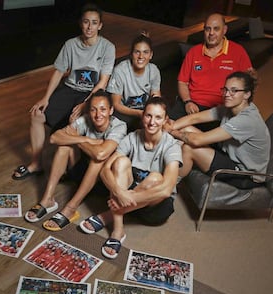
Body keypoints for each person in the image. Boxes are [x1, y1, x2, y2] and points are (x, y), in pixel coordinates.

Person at [12, 3, 116, 180]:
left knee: (74, 121)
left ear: (100, 25)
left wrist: (85, 103)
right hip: (69, 88)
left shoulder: (108, 47)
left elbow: (103, 82)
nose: (89, 27)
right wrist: (45, 98)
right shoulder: (70, 44)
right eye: (86, 22)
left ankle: (71, 170)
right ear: (80, 23)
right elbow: (59, 72)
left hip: (91, 93)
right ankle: (36, 163)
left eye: (94, 22)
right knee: (37, 114)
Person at [79, 96, 182, 259]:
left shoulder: (171, 146)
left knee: (156, 178)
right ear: (142, 116)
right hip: (127, 195)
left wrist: (126, 198)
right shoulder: (133, 137)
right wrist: (119, 193)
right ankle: (118, 231)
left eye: (158, 117)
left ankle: (108, 215)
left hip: (154, 206)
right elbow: (105, 169)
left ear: (165, 120)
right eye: (148, 116)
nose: (152, 122)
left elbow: (166, 190)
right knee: (120, 162)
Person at [24, 90, 127, 231]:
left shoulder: (119, 126)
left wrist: (75, 139)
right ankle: (47, 199)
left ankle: (71, 208)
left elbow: (100, 154)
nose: (98, 115)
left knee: (98, 159)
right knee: (63, 147)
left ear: (111, 110)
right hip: (80, 171)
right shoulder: (85, 120)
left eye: (103, 109)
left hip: (103, 182)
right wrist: (85, 139)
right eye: (93, 110)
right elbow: (54, 138)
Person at [164, 71, 271, 188]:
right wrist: (171, 126)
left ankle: (168, 188)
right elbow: (195, 118)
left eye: (234, 90)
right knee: (185, 128)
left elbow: (197, 140)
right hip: (228, 156)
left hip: (244, 175)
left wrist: (171, 131)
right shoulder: (230, 107)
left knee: (189, 148)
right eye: (225, 89)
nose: (227, 94)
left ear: (247, 94)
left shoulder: (246, 120)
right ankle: (165, 168)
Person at [168, 13, 255, 130]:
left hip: (221, 108)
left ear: (224, 30)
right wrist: (187, 102)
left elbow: (249, 84)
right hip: (192, 104)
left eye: (216, 29)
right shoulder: (194, 52)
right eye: (208, 29)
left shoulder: (238, 52)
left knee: (214, 141)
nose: (211, 33)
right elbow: (182, 82)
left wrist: (233, 106)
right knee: (167, 126)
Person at [106, 30, 161, 131]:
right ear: (131, 54)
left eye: (145, 52)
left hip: (145, 111)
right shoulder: (120, 70)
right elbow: (116, 104)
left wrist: (156, 113)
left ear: (151, 55)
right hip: (124, 112)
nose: (141, 56)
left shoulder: (154, 70)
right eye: (137, 52)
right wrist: (139, 113)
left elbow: (156, 97)